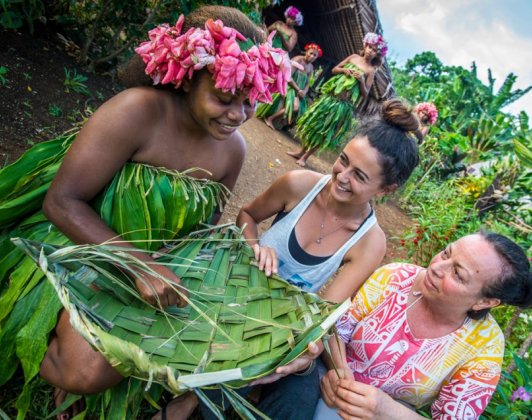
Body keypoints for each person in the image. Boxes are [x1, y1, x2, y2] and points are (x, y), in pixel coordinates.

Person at [0, 6, 290, 419]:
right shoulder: (137, 110)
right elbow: (61, 201)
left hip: (149, 269)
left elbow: (202, 231)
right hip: (75, 245)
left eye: (249, 103)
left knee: (117, 363)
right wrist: (139, 266)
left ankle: (60, 355)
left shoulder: (233, 150)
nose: (236, 116)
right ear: (189, 75)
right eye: (224, 98)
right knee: (83, 372)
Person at [161, 98, 421, 420]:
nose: (341, 176)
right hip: (234, 283)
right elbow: (248, 215)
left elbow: (322, 311)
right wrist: (255, 246)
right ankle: (184, 405)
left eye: (360, 176)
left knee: (287, 388)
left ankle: (191, 404)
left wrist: (305, 348)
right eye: (343, 160)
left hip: (279, 321)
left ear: (386, 189)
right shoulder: (300, 184)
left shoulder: (370, 242)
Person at [316, 232, 532, 419]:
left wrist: (386, 411)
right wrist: (339, 368)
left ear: (484, 302)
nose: (436, 267)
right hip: (324, 381)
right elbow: (338, 330)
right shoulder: (394, 277)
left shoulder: (485, 345)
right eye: (446, 253)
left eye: (457, 274)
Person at [289, 32, 388, 167]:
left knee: (324, 131)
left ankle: (305, 157)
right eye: (370, 47)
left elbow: (365, 94)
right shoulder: (353, 57)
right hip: (330, 98)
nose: (371, 51)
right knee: (314, 125)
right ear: (365, 45)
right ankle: (300, 152)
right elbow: (335, 69)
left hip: (342, 106)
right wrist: (345, 71)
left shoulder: (371, 70)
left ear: (378, 55)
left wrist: (361, 80)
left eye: (375, 51)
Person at [257, 42, 323, 129]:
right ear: (306, 51)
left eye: (315, 55)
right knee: (295, 107)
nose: (312, 56)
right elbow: (288, 77)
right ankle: (270, 118)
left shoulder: (310, 67)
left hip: (299, 92)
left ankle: (285, 126)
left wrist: (304, 92)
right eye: (311, 53)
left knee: (302, 111)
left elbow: (307, 83)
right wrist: (298, 90)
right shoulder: (298, 60)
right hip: (289, 87)